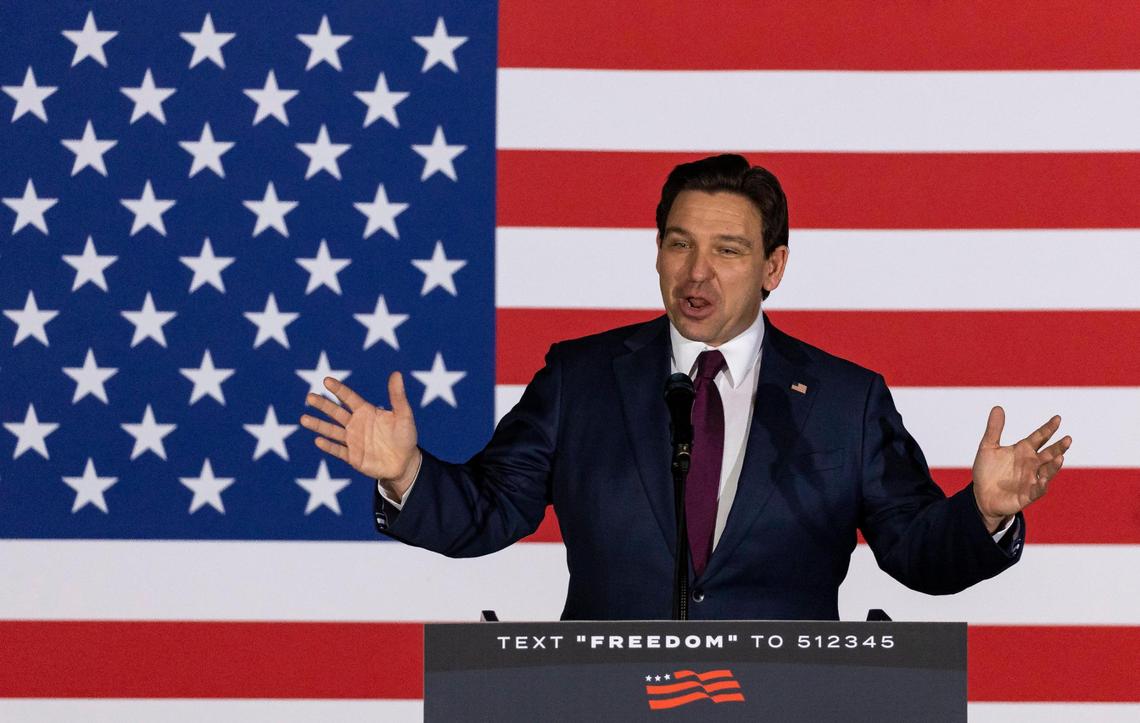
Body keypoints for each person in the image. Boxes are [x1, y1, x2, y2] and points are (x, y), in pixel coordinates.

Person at [299, 154, 1071, 620]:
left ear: (773, 268)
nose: (697, 272)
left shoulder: (846, 402)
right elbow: (488, 510)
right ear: (659, 252)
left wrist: (982, 513)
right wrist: (407, 473)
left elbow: (916, 552)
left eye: (728, 250)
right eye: (680, 244)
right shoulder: (580, 378)